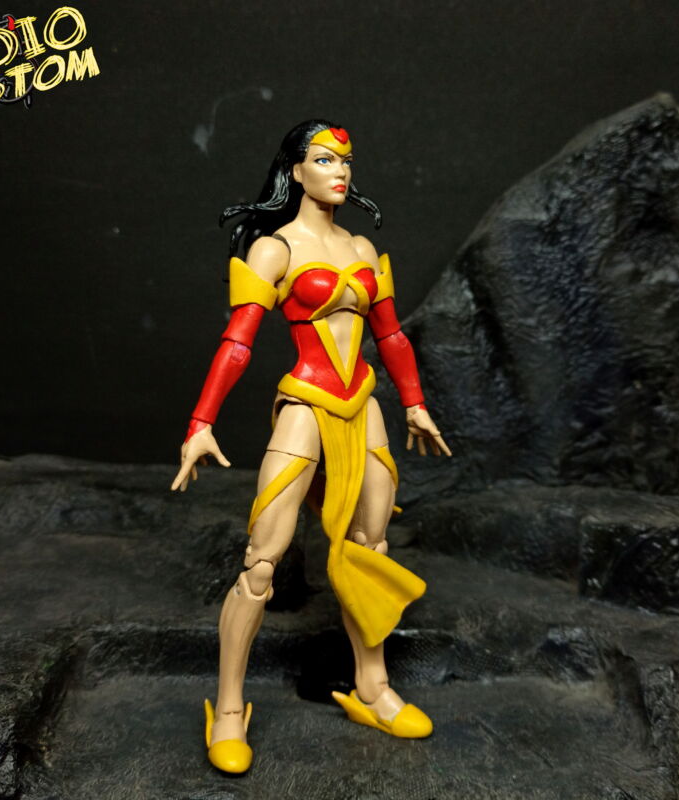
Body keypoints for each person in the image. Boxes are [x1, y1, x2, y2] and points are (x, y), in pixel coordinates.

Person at [172, 120, 451, 774]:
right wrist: (200, 423)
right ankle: (230, 709)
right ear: (294, 170)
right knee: (262, 562)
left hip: (364, 405)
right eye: (324, 159)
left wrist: (414, 402)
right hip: (305, 404)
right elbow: (237, 341)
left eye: (345, 160)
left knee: (367, 549)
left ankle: (373, 688)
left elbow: (392, 336)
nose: (339, 170)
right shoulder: (274, 249)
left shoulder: (361, 246)